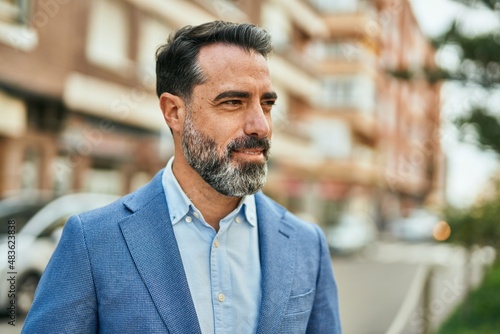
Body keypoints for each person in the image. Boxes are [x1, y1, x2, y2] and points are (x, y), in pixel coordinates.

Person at [22, 21, 342, 334]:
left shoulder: (306, 244)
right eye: (233, 102)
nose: (261, 125)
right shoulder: (93, 243)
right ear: (174, 112)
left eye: (267, 104)